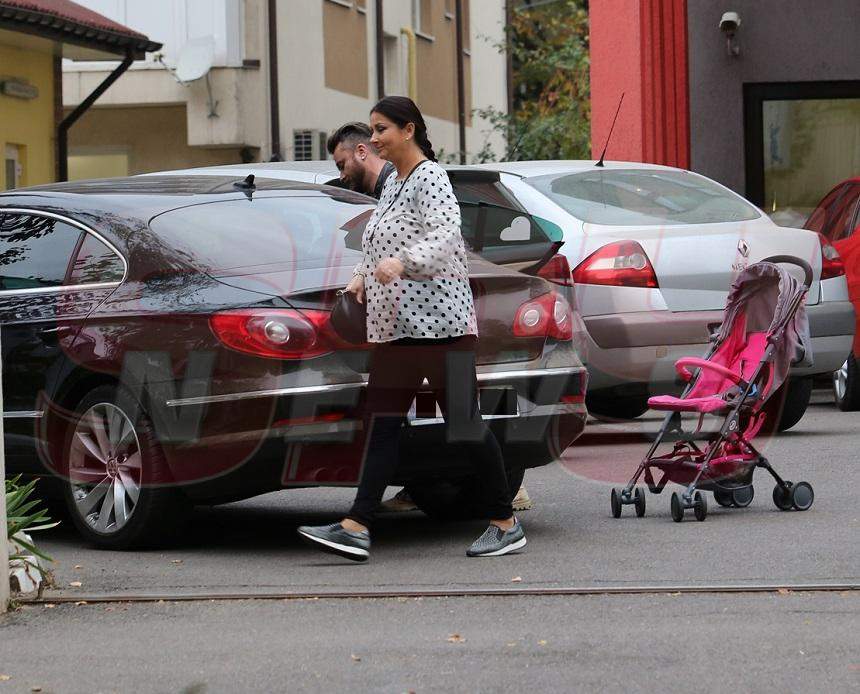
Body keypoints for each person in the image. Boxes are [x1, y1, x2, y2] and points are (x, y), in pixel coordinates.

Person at [298, 96, 526, 561]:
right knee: (382, 425)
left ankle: (505, 523)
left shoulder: (430, 178)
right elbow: (376, 239)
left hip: (442, 328)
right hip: (398, 329)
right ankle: (356, 525)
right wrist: (362, 274)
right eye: (372, 129)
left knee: (465, 423)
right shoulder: (394, 185)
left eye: (381, 129)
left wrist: (403, 262)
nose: (375, 138)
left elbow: (446, 234)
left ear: (408, 130)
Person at [326, 121, 395, 199]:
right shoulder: (369, 199)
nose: (342, 177)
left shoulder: (401, 186)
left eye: (342, 166)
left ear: (361, 152)